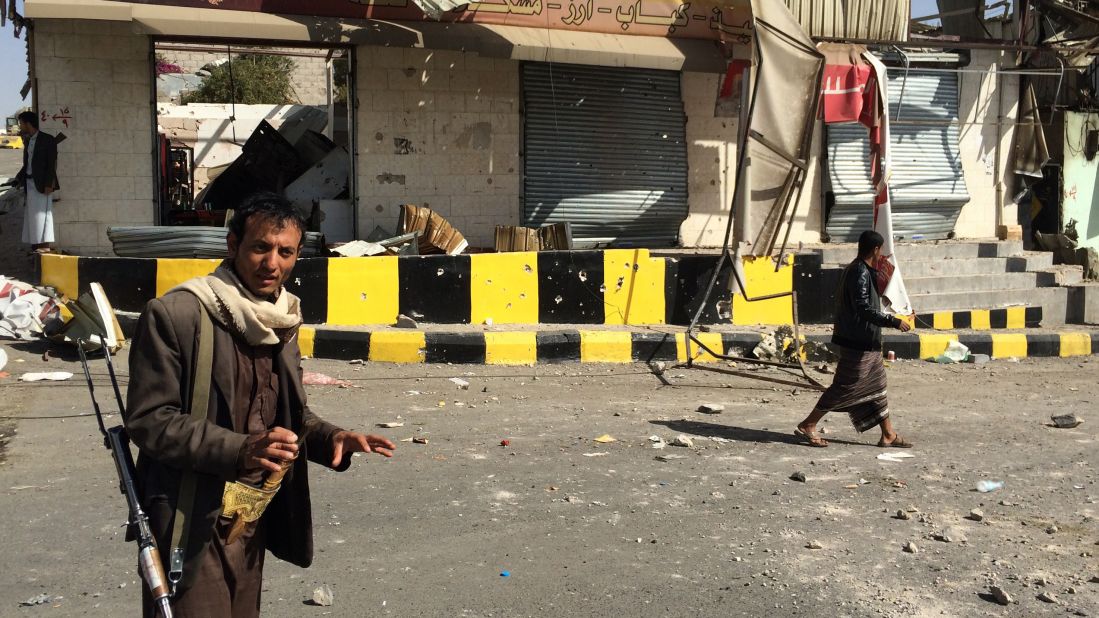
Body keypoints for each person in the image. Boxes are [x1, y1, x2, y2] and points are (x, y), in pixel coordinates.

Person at [124, 192, 396, 617]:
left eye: (285, 252)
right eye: (260, 247)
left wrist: (334, 437)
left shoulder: (282, 318)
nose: (272, 263)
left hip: (248, 517)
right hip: (190, 514)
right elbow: (150, 420)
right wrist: (240, 449)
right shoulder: (177, 315)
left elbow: (289, 413)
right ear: (233, 246)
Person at [795, 230, 913, 449]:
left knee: (877, 384)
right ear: (876, 249)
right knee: (844, 386)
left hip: (866, 342)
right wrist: (893, 321)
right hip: (857, 342)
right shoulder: (859, 271)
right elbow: (863, 308)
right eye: (881, 251)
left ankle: (888, 433)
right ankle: (808, 424)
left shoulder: (860, 269)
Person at [13, 111, 60, 253]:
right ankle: (36, 245)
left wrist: (48, 184)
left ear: (28, 124)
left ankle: (44, 246)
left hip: (42, 185)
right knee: (32, 217)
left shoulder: (48, 139)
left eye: (21, 123)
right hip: (30, 184)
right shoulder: (28, 140)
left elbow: (52, 164)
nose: (20, 126)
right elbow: (28, 164)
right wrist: (18, 178)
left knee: (42, 216)